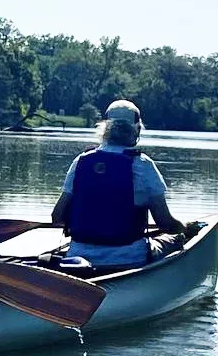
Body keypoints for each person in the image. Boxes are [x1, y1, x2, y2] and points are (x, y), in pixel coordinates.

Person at [50, 99, 200, 268]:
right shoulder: (142, 165)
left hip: (77, 257)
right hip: (129, 259)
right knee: (176, 237)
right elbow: (165, 223)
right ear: (136, 129)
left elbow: (57, 217)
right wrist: (185, 228)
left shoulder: (81, 161)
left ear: (105, 127)